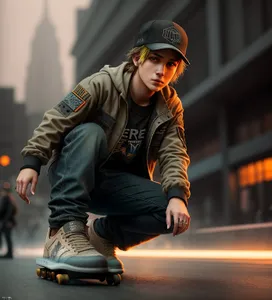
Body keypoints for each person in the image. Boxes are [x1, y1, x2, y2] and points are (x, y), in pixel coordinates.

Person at [15, 20, 191, 274]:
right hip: (74, 174)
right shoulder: (101, 84)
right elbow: (56, 118)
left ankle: (102, 236)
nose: (161, 70)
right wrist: (32, 162)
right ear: (137, 58)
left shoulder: (171, 107)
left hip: (118, 187)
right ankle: (61, 231)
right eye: (154, 59)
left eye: (171, 64)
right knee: (90, 132)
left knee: (173, 212)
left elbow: (174, 152)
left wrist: (177, 196)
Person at [0, 183, 17, 259]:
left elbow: (8, 212)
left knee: (7, 237)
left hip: (7, 222)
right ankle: (9, 253)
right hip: (7, 221)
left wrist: (6, 221)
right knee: (7, 237)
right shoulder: (8, 199)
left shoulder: (7, 199)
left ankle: (9, 253)